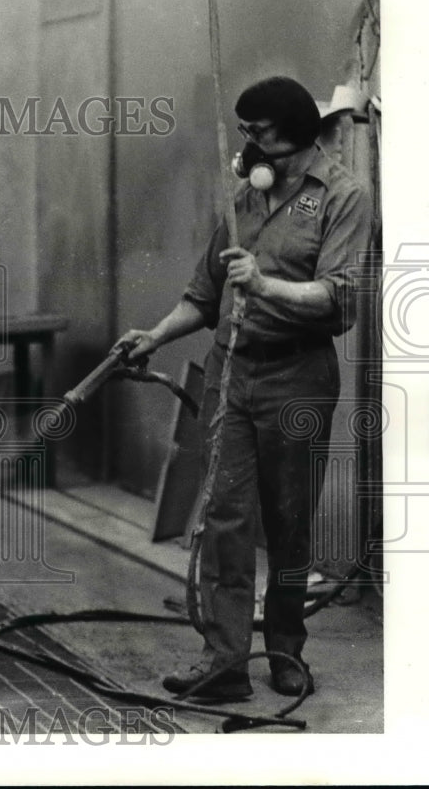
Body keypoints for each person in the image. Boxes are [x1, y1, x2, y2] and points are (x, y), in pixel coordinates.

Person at [118, 76, 373, 701]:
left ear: (294, 137)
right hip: (232, 373)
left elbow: (340, 301)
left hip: (298, 378)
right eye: (244, 132)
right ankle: (225, 659)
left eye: (257, 132)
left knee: (288, 524)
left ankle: (285, 648)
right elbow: (204, 296)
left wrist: (262, 286)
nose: (248, 144)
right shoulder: (242, 198)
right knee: (224, 518)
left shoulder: (343, 197)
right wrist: (153, 336)